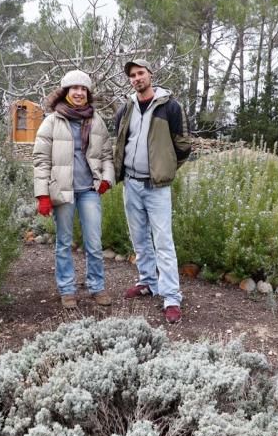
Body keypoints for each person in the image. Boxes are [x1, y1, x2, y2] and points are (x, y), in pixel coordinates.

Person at [113, 58, 192, 324]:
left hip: (157, 187)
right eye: (132, 75)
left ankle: (171, 297)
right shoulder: (126, 108)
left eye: (140, 73)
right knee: (139, 239)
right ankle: (147, 281)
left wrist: (165, 169)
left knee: (163, 242)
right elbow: (120, 141)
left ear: (150, 74)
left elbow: (183, 146)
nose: (137, 78)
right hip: (132, 184)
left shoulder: (169, 106)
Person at [33, 70, 115, 309]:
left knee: (94, 243)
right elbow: (40, 160)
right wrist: (42, 195)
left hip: (89, 190)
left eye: (83, 89)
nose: (79, 93)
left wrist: (106, 179)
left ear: (87, 93)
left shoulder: (96, 120)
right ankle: (67, 289)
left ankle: (97, 287)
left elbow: (107, 154)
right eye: (74, 88)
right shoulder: (52, 121)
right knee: (64, 243)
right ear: (65, 92)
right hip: (62, 190)